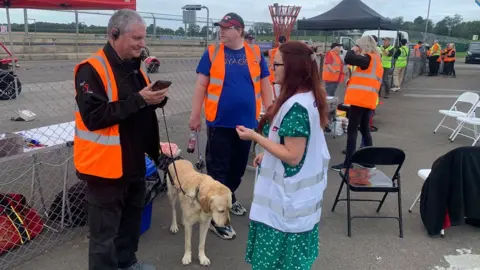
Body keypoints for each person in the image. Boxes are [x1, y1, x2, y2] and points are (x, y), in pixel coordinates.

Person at [74, 9, 167, 270]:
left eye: (143, 38)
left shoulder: (135, 67)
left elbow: (139, 104)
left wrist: (155, 99)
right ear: (114, 34)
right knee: (104, 236)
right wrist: (140, 100)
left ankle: (127, 263)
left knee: (130, 222)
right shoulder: (90, 70)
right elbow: (94, 116)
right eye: (136, 38)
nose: (142, 44)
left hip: (134, 161)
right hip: (105, 169)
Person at [236, 40, 330, 270]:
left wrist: (256, 138)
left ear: (292, 67)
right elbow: (290, 146)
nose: (271, 69)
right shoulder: (305, 99)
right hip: (292, 206)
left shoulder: (297, 106)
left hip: (286, 209)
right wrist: (267, 155)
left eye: (276, 64)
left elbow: (293, 156)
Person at [188, 12, 272, 240]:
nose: (221, 31)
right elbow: (200, 87)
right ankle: (216, 218)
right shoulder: (213, 53)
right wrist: (195, 115)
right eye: (220, 27)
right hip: (219, 122)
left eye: (226, 28)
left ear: (240, 30)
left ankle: (228, 198)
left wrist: (272, 111)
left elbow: (265, 84)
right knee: (218, 170)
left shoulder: (254, 53)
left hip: (247, 124)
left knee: (237, 168)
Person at [331, 36, 383, 171]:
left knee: (352, 130)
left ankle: (348, 163)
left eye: (359, 45)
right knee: (365, 129)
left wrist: (353, 50)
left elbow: (348, 58)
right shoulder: (377, 59)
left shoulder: (367, 58)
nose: (358, 48)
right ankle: (369, 162)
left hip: (360, 99)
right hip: (368, 99)